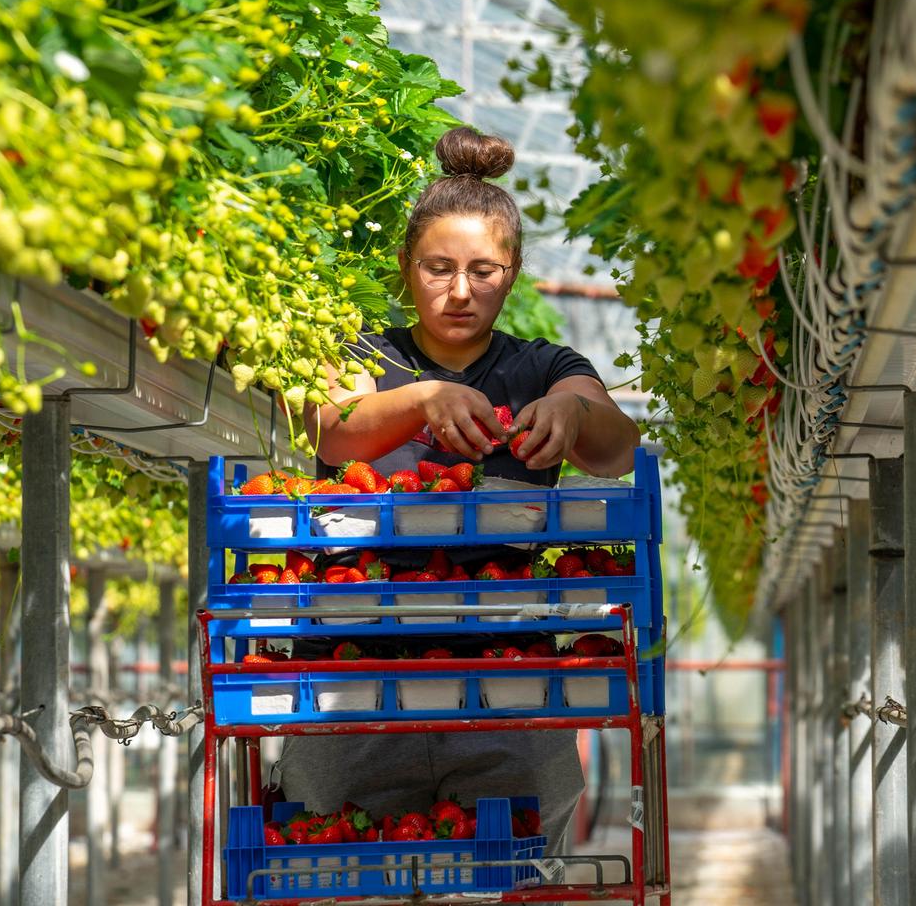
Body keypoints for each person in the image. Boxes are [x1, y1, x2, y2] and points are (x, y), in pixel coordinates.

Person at [272, 126, 642, 847]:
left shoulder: (543, 366)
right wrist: (418, 400)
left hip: (508, 679)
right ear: (407, 266)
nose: (461, 290)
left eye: (484, 269)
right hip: (353, 681)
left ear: (513, 270)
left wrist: (572, 410)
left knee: (511, 875)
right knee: (346, 873)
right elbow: (328, 425)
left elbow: (617, 448)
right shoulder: (364, 356)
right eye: (439, 268)